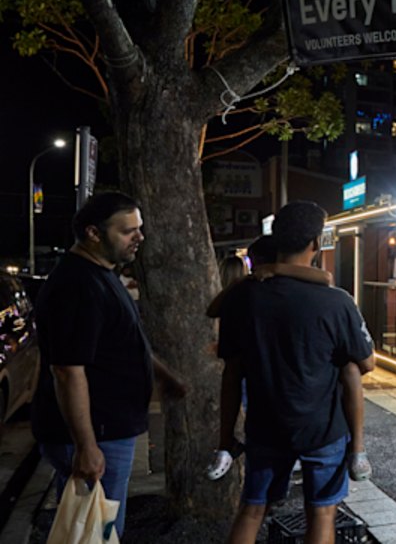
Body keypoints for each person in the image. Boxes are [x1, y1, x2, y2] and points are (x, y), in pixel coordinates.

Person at [31, 192, 187, 539]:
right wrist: (86, 445)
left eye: (139, 228)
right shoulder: (77, 285)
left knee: (86, 528)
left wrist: (164, 376)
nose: (139, 238)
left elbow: (124, 342)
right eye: (128, 231)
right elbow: (67, 370)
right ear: (93, 233)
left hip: (108, 430)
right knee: (98, 530)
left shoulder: (102, 275)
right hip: (98, 434)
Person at [219, 202, 375, 544]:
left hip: (265, 425)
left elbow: (231, 372)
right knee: (321, 513)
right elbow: (365, 364)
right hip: (323, 427)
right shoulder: (336, 302)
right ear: (315, 244)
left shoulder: (245, 297)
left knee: (252, 509)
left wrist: (225, 436)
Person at [205, 234, 372, 483]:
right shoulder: (253, 291)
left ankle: (226, 445)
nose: (254, 268)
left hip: (268, 420)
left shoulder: (257, 293)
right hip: (316, 423)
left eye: (255, 262)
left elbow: (325, 277)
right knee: (321, 509)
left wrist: (273, 271)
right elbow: (367, 364)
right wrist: (249, 279)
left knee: (256, 504)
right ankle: (357, 451)